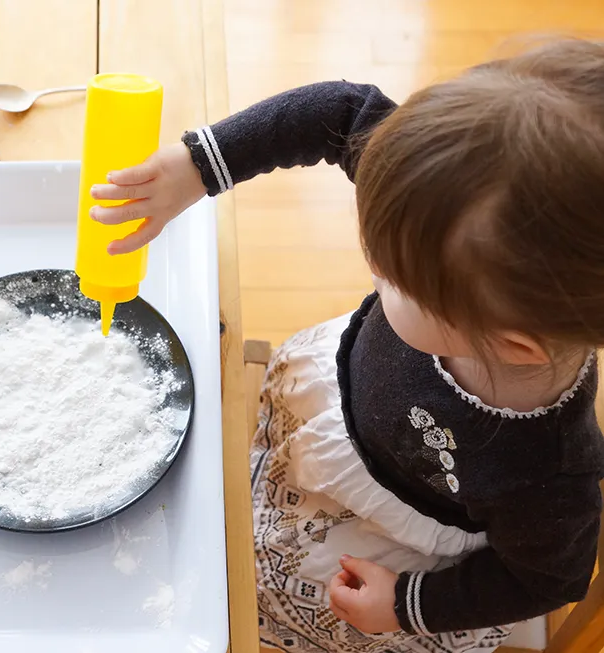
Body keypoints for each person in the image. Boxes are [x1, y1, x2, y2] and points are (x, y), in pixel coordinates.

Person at [90, 38, 604, 652]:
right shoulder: (447, 188)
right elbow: (338, 112)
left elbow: (548, 579)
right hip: (334, 411)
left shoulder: (546, 474)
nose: (370, 263)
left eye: (392, 277)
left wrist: (406, 603)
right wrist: (199, 166)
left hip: (382, 544)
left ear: (516, 346)